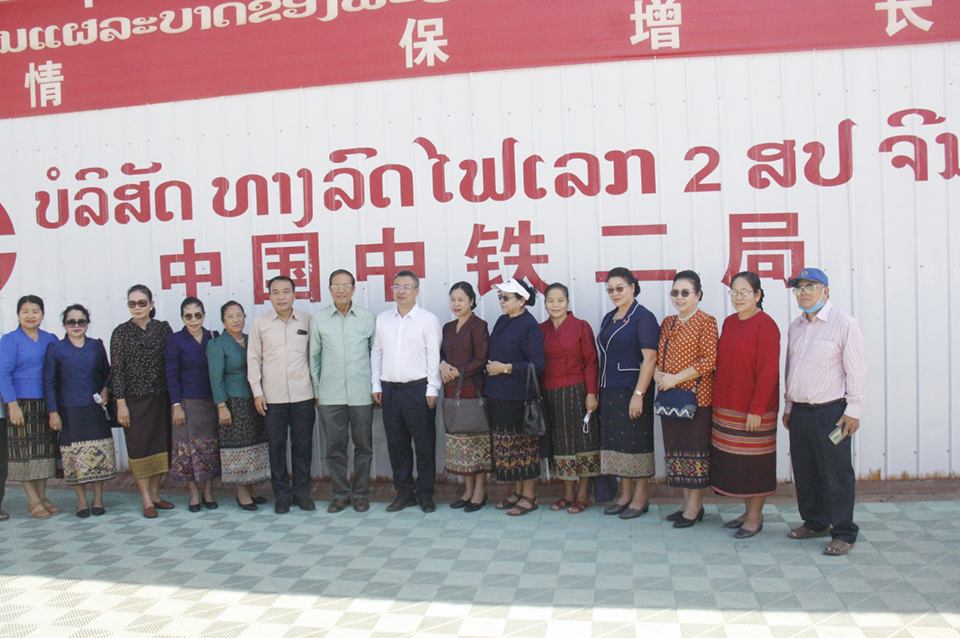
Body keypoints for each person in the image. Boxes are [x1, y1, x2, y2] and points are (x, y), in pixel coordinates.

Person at [783, 267, 866, 556]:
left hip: (833, 413)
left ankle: (843, 532)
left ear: (826, 291)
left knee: (836, 474)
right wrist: (788, 406)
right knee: (805, 471)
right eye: (799, 288)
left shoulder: (845, 324)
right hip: (800, 412)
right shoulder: (795, 326)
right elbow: (791, 370)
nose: (804, 292)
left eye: (811, 286)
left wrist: (853, 411)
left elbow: (857, 371)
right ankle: (815, 522)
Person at [710, 271, 780, 539]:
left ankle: (755, 516)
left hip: (754, 409)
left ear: (758, 295)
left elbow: (768, 372)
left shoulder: (766, 325)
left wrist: (757, 409)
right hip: (728, 405)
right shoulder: (729, 322)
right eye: (734, 292)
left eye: (744, 292)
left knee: (755, 465)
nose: (738, 297)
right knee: (737, 464)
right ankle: (746, 511)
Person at [371, 270, 442, 513]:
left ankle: (425, 494)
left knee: (424, 446)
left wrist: (433, 388)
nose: (401, 291)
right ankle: (404, 494)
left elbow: (433, 356)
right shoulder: (383, 319)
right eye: (397, 286)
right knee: (397, 446)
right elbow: (377, 352)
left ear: (416, 291)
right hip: (390, 390)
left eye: (406, 287)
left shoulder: (428, 320)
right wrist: (376, 384)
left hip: (418, 390)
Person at [654, 271, 718, 528]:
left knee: (695, 453)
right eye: (675, 292)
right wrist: (659, 375)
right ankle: (685, 503)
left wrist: (675, 379)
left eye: (685, 293)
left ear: (698, 295)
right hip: (670, 398)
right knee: (677, 452)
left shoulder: (706, 321)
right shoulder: (668, 322)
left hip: (696, 399)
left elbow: (708, 361)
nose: (679, 297)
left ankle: (695, 506)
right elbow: (659, 355)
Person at [309, 270, 376, 514]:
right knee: (335, 448)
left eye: (346, 285)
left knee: (363, 447)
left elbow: (375, 355)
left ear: (354, 289)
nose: (341, 290)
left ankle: (360, 495)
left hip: (361, 394)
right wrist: (317, 390)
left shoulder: (368, 318)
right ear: (329, 290)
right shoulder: (319, 319)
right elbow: (314, 357)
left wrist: (375, 387)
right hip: (330, 395)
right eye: (336, 286)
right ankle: (339, 495)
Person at [248, 275, 315, 514]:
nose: (281, 297)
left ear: (294, 294)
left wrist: (317, 390)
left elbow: (314, 356)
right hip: (272, 398)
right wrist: (257, 392)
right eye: (275, 292)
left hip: (303, 395)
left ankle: (302, 494)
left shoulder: (307, 320)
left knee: (302, 447)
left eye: (286, 291)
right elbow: (253, 359)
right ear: (269, 296)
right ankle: (282, 496)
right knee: (276, 448)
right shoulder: (260, 323)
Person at [596, 268, 659, 519]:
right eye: (610, 289)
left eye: (620, 288)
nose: (615, 293)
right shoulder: (610, 317)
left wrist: (639, 393)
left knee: (636, 442)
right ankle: (624, 495)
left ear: (632, 287)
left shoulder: (643, 317)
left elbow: (650, 358)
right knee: (617, 443)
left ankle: (640, 497)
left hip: (632, 389)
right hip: (610, 389)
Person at [43, 304, 116, 518]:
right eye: (71, 322)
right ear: (64, 324)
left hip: (94, 410)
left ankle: (98, 498)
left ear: (87, 323)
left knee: (98, 455)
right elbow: (49, 382)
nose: (76, 326)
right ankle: (81, 500)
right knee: (74, 457)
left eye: (81, 321)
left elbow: (107, 374)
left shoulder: (96, 345)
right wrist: (53, 412)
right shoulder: (56, 348)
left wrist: (106, 391)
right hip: (68, 410)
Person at [112, 284, 175, 518]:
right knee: (139, 448)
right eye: (132, 303)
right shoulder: (120, 332)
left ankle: (156, 495)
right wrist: (121, 403)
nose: (137, 307)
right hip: (134, 400)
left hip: (160, 397)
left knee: (160, 447)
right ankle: (146, 499)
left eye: (141, 302)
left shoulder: (162, 329)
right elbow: (117, 371)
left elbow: (171, 362)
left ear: (151, 304)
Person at [486, 278, 546, 517]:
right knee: (507, 448)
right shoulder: (502, 321)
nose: (501, 301)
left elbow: (537, 365)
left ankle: (529, 495)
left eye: (506, 297)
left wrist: (506, 368)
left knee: (523, 447)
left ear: (522, 301)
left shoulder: (530, 326)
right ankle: (517, 492)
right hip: (498, 395)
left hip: (519, 397)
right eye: (499, 297)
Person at [540, 283, 600, 514]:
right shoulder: (541, 329)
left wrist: (591, 393)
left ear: (568, 302)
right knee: (561, 444)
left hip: (577, 392)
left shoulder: (580, 327)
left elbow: (591, 362)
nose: (555, 305)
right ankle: (567, 493)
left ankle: (583, 494)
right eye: (550, 301)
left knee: (584, 442)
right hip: (550, 393)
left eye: (560, 300)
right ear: (545, 303)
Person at [0, 296, 60, 519]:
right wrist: (12, 404)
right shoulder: (10, 340)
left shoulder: (50, 339)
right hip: (20, 404)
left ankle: (42, 497)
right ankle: (33, 500)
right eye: (25, 311)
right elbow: (3, 373)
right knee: (22, 454)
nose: (30, 315)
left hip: (46, 403)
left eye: (35, 311)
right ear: (18, 315)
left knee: (43, 453)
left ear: (42, 315)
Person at [207, 301, 270, 510]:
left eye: (239, 315)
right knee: (238, 446)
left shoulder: (251, 340)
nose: (236, 320)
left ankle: (251, 488)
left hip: (254, 399)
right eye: (230, 316)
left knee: (254, 443)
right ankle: (241, 492)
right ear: (223, 320)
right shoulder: (218, 344)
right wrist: (221, 406)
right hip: (233, 402)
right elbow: (215, 378)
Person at [439, 282, 492, 512]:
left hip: (473, 390)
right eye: (453, 299)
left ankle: (479, 492)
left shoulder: (479, 326)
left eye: (461, 299)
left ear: (471, 301)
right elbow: (441, 354)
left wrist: (457, 372)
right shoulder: (448, 327)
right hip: (452, 390)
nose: (456, 304)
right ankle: (467, 491)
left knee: (477, 442)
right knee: (461, 445)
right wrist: (442, 365)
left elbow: (481, 359)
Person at [166, 297, 221, 512]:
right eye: (188, 316)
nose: (193, 320)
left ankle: (208, 492)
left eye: (197, 315)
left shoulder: (212, 337)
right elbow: (171, 374)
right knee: (187, 450)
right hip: (186, 403)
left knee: (209, 448)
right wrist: (176, 405)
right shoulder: (175, 339)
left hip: (209, 402)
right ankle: (193, 494)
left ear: (204, 315)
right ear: (182, 318)